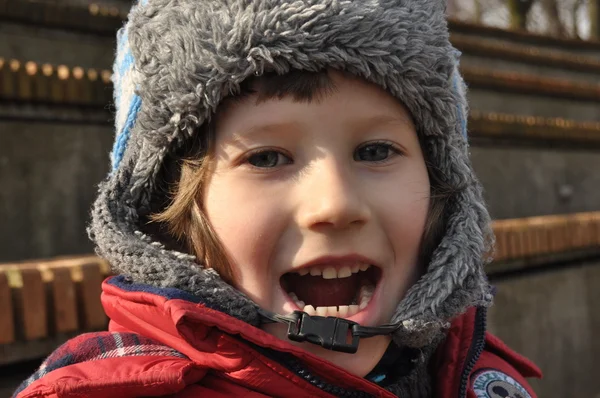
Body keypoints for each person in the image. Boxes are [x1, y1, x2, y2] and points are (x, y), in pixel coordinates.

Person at [14, 0, 542, 397]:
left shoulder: (482, 379)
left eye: (376, 150)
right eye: (266, 158)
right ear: (164, 213)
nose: (334, 205)